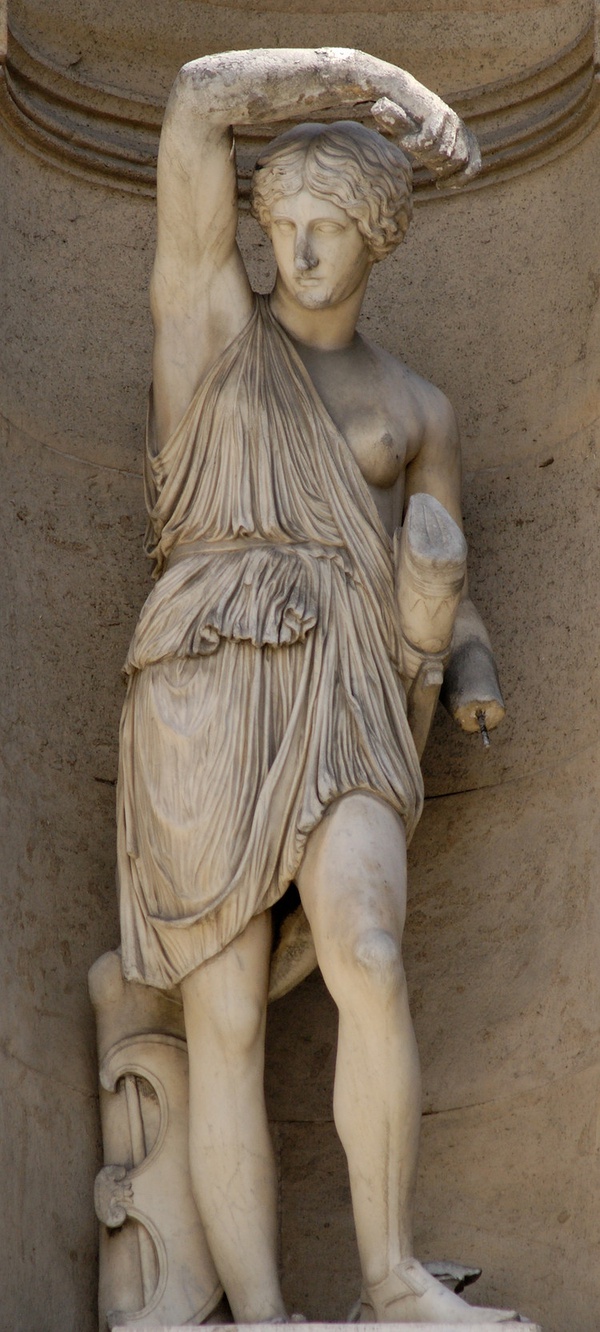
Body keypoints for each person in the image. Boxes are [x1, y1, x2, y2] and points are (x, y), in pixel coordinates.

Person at [116, 48, 508, 1324]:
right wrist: (353, 76)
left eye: (325, 227)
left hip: (351, 685)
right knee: (224, 1024)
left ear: (375, 235)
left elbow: (442, 572)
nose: (295, 250)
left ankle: (392, 1276)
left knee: (372, 952)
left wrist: (470, 663)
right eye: (278, 223)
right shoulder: (212, 332)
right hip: (205, 686)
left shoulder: (418, 407)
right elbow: (196, 102)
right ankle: (265, 1312)